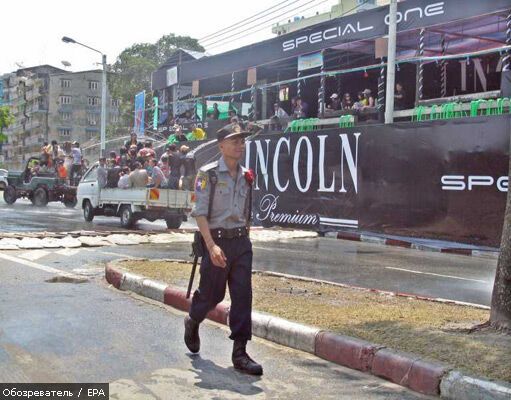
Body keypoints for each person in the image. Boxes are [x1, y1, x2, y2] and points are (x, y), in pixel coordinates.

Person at [184, 122, 262, 375]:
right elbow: (199, 213)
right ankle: (193, 320)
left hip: (240, 242)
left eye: (242, 141)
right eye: (235, 141)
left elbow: (247, 211)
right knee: (212, 295)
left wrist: (245, 237)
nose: (240, 145)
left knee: (242, 295)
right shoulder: (208, 174)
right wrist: (211, 246)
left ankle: (240, 352)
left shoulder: (247, 175)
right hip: (215, 242)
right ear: (221, 146)